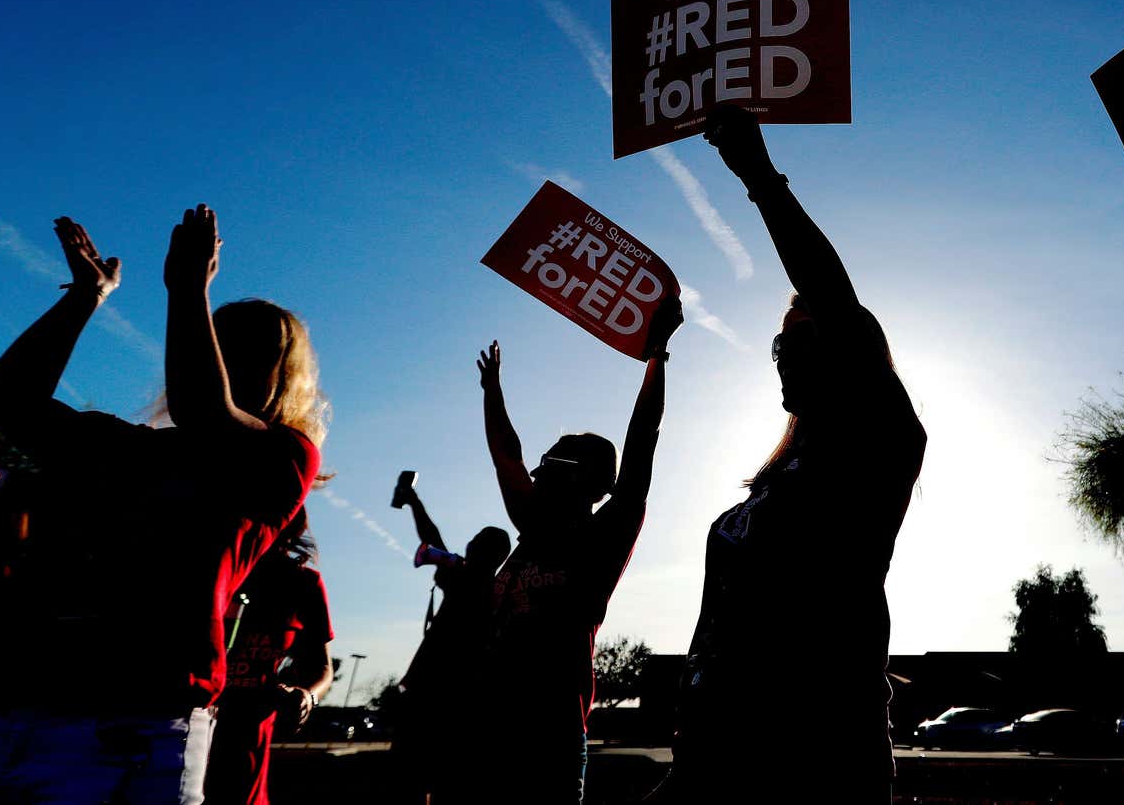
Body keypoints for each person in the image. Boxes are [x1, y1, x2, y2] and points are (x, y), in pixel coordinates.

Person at [0, 206, 325, 804]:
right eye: (218, 340)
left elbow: (204, 412)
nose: (219, 355)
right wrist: (85, 297)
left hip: (131, 724)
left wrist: (187, 290)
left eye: (240, 348)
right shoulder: (127, 446)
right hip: (9, 700)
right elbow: (10, 398)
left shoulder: (283, 460)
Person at [657, 106, 927, 805]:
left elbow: (835, 299)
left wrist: (758, 177)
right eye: (780, 342)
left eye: (806, 338)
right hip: (717, 751)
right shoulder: (773, 481)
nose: (786, 352)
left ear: (851, 352)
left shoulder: (878, 443)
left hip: (815, 753)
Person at [482, 293, 681, 804]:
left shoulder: (602, 538)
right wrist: (492, 391)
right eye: (546, 458)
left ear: (595, 485)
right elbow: (507, 455)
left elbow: (643, 439)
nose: (541, 468)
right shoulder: (531, 527)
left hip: (546, 739)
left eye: (560, 462)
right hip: (484, 730)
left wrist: (657, 356)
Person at [392, 475, 511, 804]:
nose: (468, 544)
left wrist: (413, 501)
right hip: (465, 697)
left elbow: (432, 538)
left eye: (474, 540)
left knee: (413, 779)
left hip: (435, 691)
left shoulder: (469, 579)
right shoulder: (495, 589)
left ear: (481, 550)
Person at [204, 511, 334, 805]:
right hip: (182, 732)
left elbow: (322, 667)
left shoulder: (303, 584)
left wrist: (307, 696)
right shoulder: (210, 564)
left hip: (247, 746)